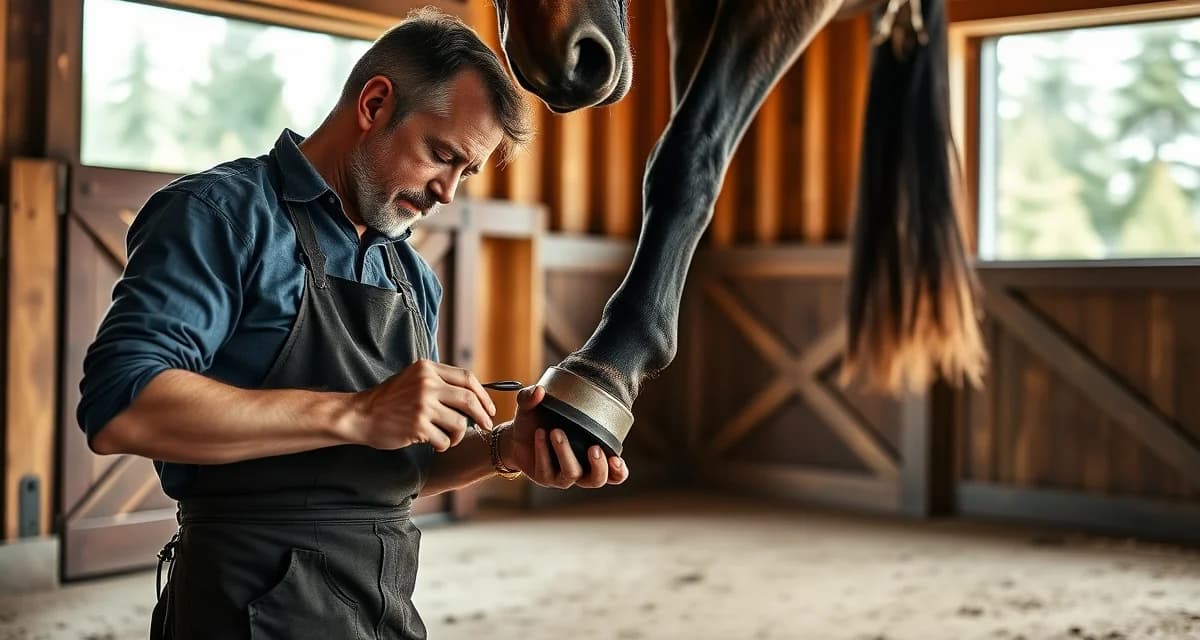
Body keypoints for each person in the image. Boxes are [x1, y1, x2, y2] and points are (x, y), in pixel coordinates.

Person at [75, 9, 629, 639]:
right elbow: (121, 408)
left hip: (383, 604)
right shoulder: (221, 215)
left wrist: (504, 450)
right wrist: (358, 411)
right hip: (245, 602)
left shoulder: (412, 276)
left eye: (465, 172)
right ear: (374, 103)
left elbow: (388, 471)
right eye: (441, 155)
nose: (448, 192)